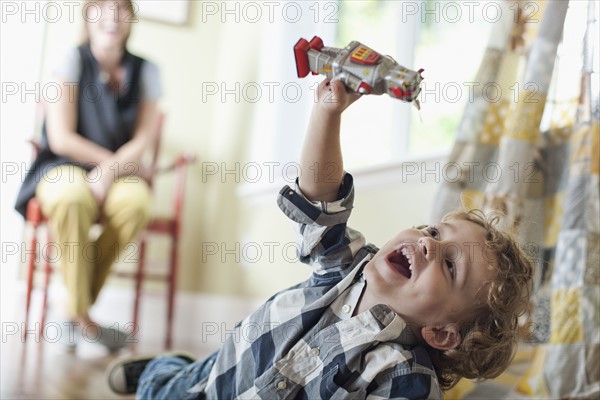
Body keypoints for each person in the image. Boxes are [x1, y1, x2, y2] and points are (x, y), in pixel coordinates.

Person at [107, 79, 533, 398]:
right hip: (208, 380)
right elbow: (321, 197)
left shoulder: (403, 378)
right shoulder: (347, 266)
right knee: (161, 385)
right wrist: (327, 113)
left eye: (449, 264)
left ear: (442, 333)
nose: (428, 243)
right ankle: (157, 370)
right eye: (436, 231)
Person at [15, 0, 161, 350]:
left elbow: (143, 139)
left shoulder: (148, 71)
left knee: (136, 204)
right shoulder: (70, 60)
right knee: (71, 197)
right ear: (88, 15)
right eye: (102, 6)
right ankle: (85, 320)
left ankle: (71, 310)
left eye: (121, 8)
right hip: (61, 165)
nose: (112, 15)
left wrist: (110, 170)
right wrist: (109, 164)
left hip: (120, 174)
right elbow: (62, 137)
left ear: (131, 18)